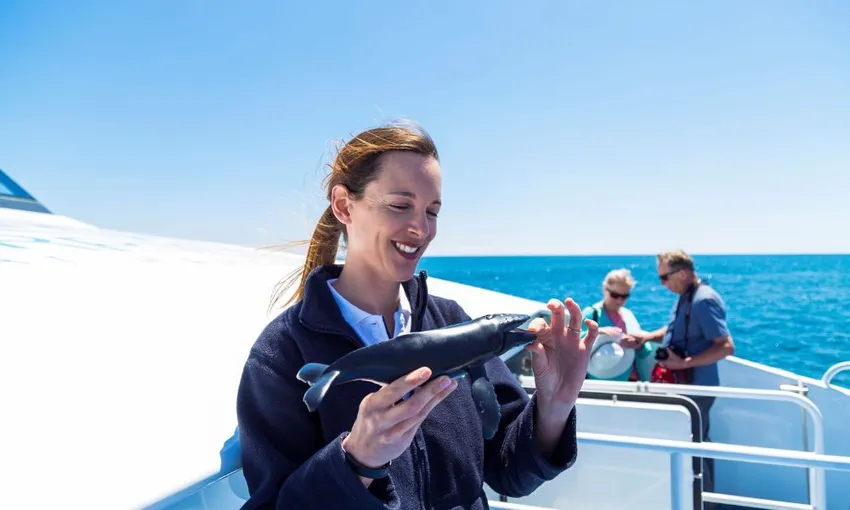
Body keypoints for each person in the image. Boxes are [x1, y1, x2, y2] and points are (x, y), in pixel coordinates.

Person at [235, 122, 600, 509]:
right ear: (344, 205)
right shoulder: (283, 352)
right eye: (400, 205)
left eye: (432, 211)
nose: (421, 229)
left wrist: (554, 405)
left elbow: (507, 471)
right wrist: (356, 461)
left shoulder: (452, 319)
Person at [630, 249, 735, 505]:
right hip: (686, 388)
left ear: (684, 273)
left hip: (696, 389)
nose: (663, 284)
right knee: (692, 446)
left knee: (697, 448)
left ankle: (706, 503)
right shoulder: (688, 297)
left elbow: (725, 346)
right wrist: (647, 338)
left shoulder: (703, 300)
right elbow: (676, 329)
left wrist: (684, 363)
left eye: (665, 278)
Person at [582, 268, 657, 381]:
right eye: (615, 295)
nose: (620, 301)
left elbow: (644, 352)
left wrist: (638, 345)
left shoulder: (628, 316)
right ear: (604, 289)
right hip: (599, 384)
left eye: (625, 296)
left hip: (631, 382)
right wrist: (599, 331)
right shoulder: (592, 314)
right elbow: (573, 343)